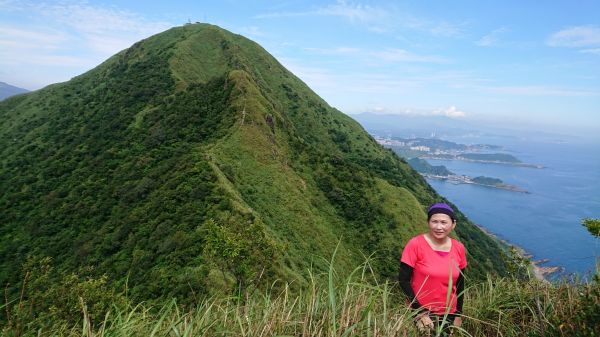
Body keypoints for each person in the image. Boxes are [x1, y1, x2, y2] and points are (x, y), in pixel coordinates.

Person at [399, 202, 467, 336]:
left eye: (444, 222)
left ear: (453, 224)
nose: (439, 227)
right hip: (420, 311)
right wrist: (419, 312)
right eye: (434, 221)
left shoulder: (458, 248)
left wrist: (458, 314)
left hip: (449, 313)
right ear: (428, 222)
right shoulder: (415, 244)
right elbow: (403, 280)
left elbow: (460, 284)